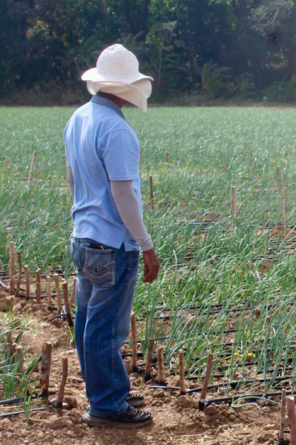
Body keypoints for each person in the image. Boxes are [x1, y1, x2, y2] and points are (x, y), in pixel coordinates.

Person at [64, 43, 160, 428]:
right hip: (111, 245)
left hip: (82, 239)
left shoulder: (78, 118)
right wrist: (146, 245)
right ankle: (106, 404)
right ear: (125, 88)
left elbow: (72, 179)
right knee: (106, 329)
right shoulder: (118, 131)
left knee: (88, 321)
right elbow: (124, 194)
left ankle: (104, 387)